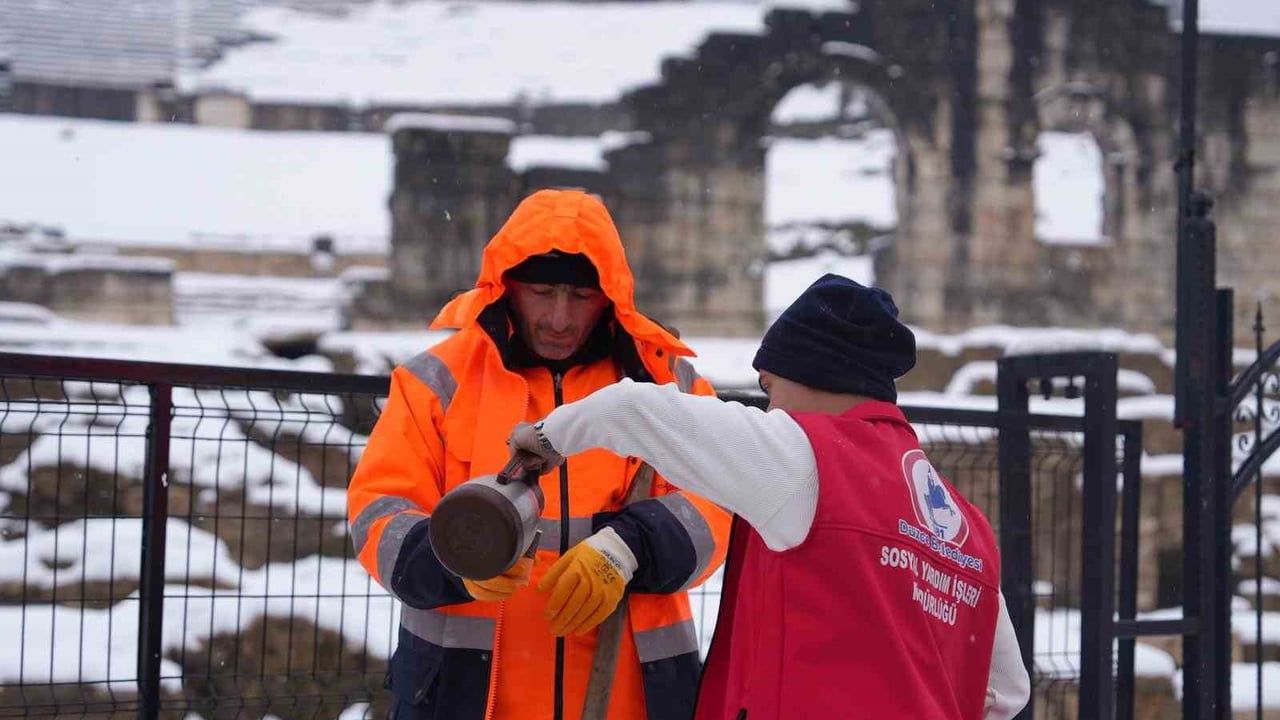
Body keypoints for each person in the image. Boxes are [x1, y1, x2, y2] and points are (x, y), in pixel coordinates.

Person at [508, 274, 1032, 719]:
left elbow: (634, 411)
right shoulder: (966, 527)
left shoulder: (803, 458)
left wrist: (546, 439)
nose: (770, 405)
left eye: (769, 385)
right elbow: (1007, 692)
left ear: (809, 374)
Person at [347, 188, 731, 720]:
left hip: (632, 697)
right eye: (542, 292)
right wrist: (455, 560)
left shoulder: (665, 383)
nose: (559, 318)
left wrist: (631, 547)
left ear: (610, 295)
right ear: (507, 286)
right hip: (464, 696)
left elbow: (719, 501)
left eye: (581, 296)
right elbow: (377, 515)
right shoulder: (435, 383)